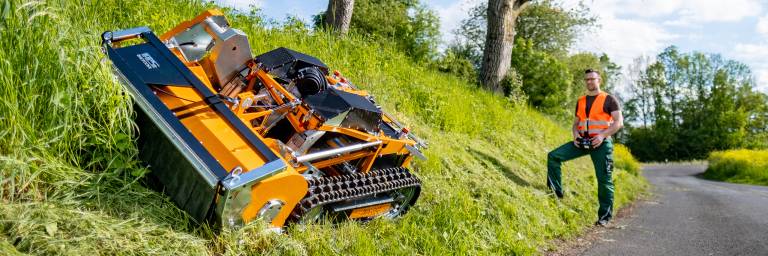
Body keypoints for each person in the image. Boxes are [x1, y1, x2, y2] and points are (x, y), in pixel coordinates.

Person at [546, 69, 624, 227]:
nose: (589, 82)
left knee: (604, 180)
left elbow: (618, 123)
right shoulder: (580, 101)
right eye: (587, 79)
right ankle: (556, 193)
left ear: (599, 80)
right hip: (581, 142)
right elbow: (575, 124)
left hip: (601, 144)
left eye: (592, 79)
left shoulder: (609, 99)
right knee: (553, 156)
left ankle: (605, 218)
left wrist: (602, 135)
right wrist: (575, 135)